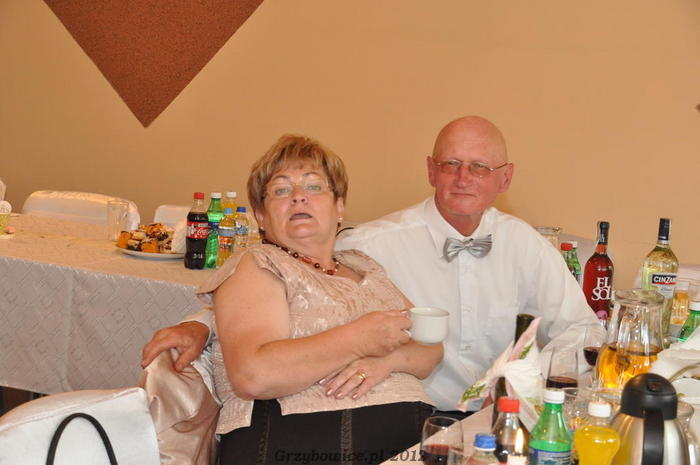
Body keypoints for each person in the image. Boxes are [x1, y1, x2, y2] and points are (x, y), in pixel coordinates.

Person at [142, 116, 599, 414]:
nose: (463, 178)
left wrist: (524, 385)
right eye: (451, 164)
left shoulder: (525, 245)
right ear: (431, 170)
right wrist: (201, 325)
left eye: (480, 167)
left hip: (497, 417)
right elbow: (290, 276)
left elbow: (582, 331)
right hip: (418, 412)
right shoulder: (372, 246)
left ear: (506, 178)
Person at [184, 134, 441, 465]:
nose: (298, 197)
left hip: (410, 444)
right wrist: (359, 339)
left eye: (314, 186)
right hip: (297, 443)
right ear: (261, 216)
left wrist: (387, 362)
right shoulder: (259, 263)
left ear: (339, 206)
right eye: (281, 190)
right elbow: (253, 375)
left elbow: (431, 348)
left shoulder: (364, 265)